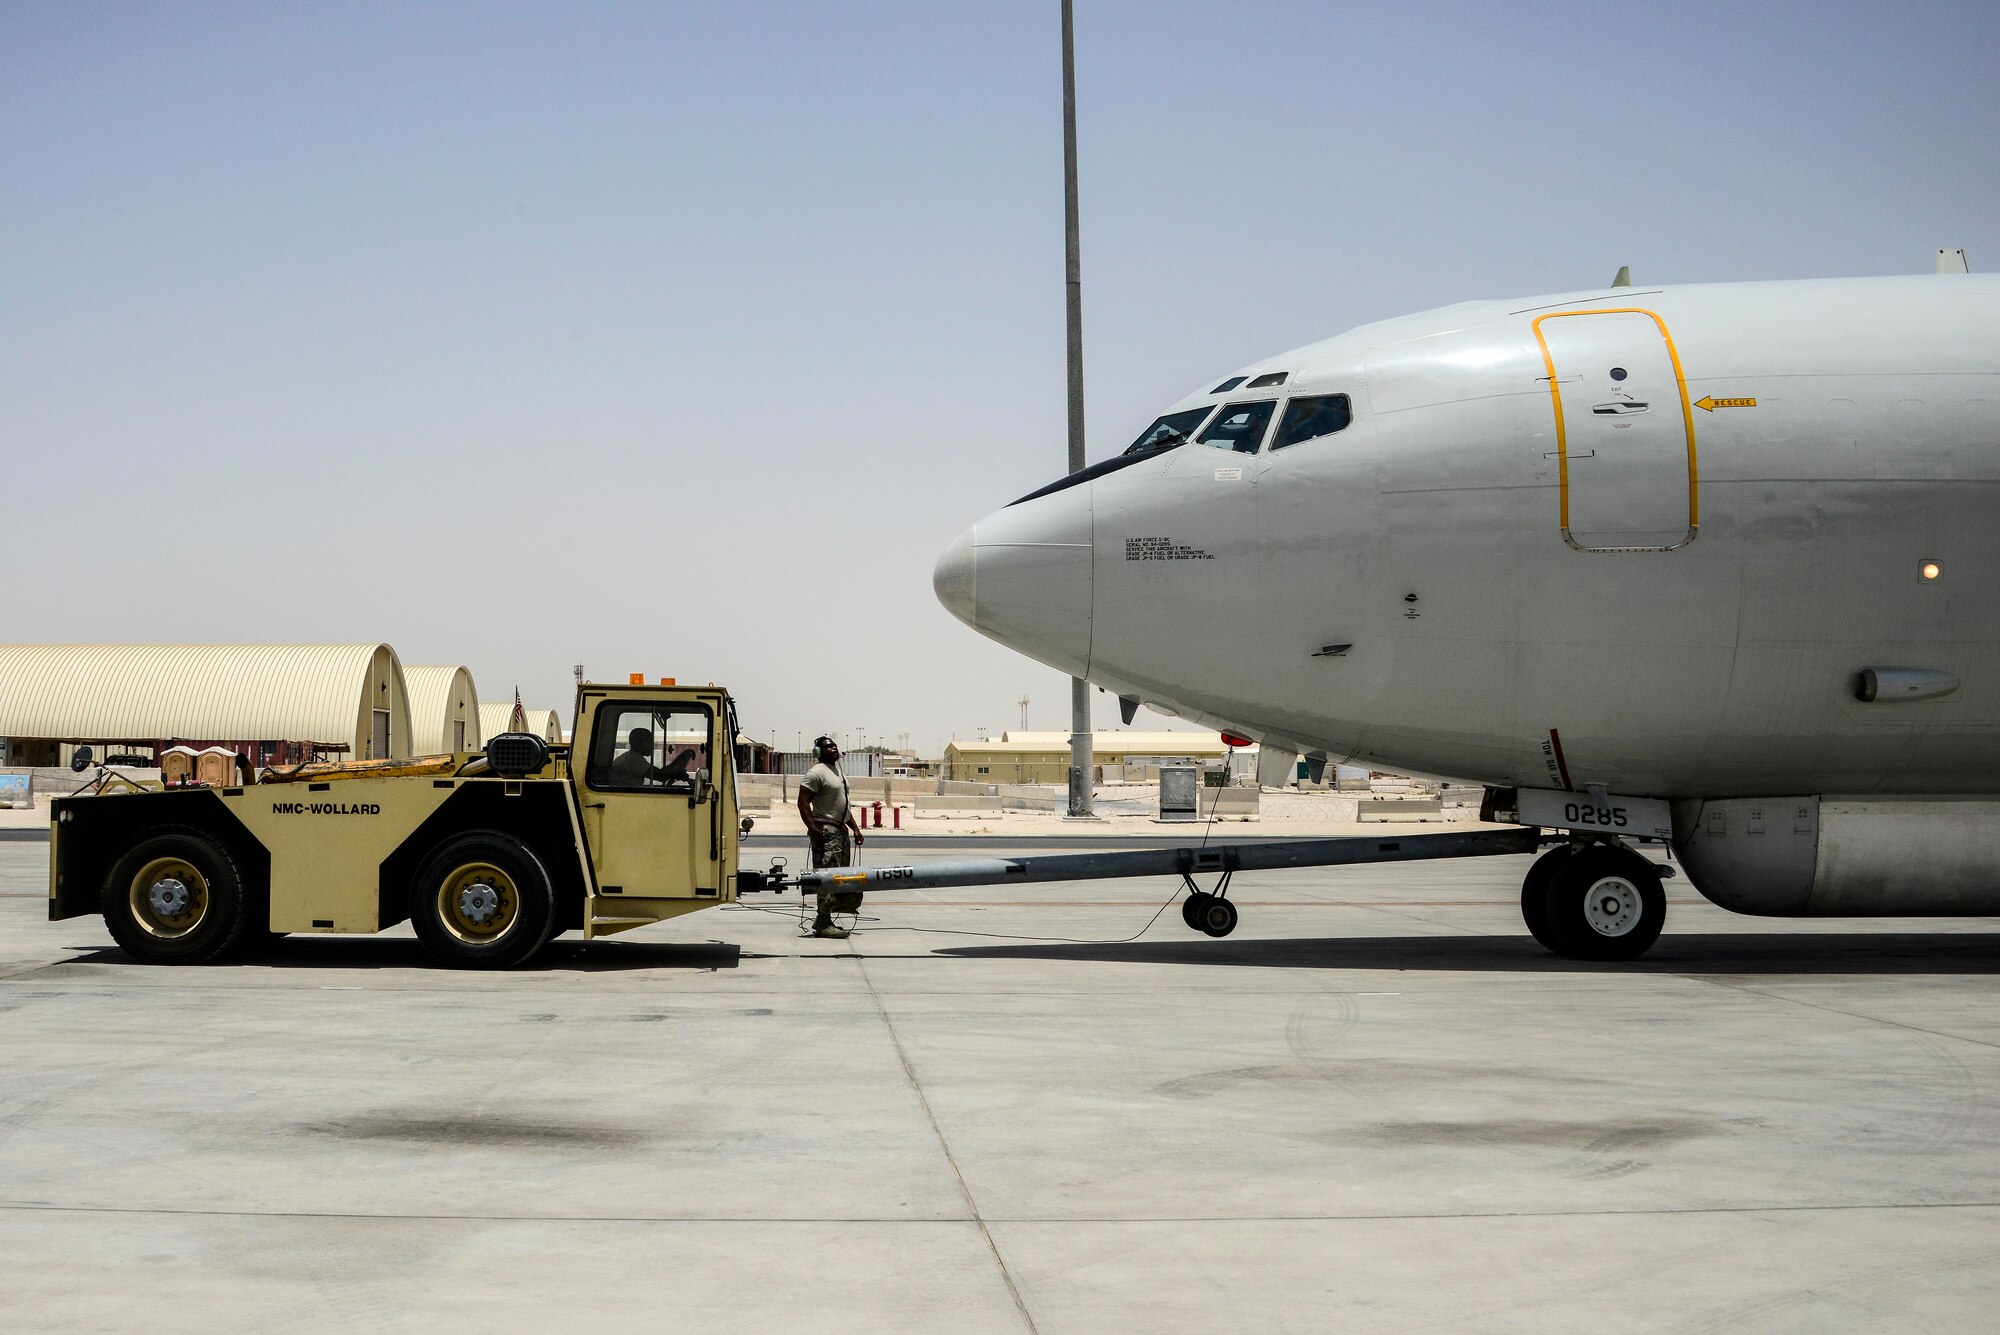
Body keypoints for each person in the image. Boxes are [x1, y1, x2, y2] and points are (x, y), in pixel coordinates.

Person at [797, 735, 865, 938]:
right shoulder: (816, 773)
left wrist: (855, 828)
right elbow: (802, 802)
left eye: (835, 745)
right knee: (827, 878)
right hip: (826, 830)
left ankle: (822, 918)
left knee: (839, 877)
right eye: (828, 747)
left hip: (840, 830)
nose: (834, 748)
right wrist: (813, 829)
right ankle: (824, 923)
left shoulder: (837, 772)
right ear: (818, 752)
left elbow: (842, 805)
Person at [608, 727, 691, 788]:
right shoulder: (633, 758)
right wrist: (683, 756)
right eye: (649, 742)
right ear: (639, 743)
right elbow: (661, 776)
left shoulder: (631, 757)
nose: (652, 745)